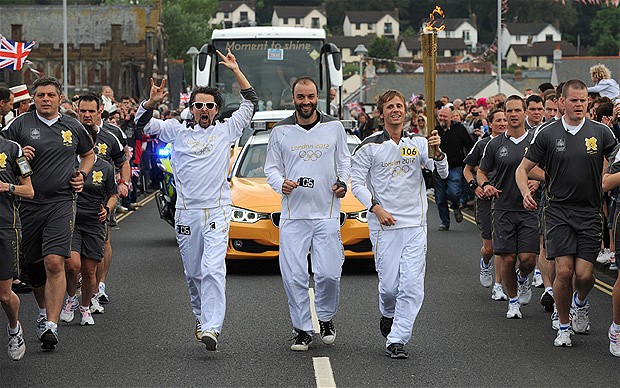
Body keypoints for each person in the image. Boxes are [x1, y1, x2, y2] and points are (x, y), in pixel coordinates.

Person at [135, 49, 256, 352]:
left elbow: (250, 102)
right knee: (194, 273)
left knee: (214, 268)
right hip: (186, 214)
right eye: (199, 105)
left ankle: (213, 327)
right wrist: (150, 103)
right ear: (191, 108)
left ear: (217, 110)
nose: (205, 109)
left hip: (216, 210)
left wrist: (235, 70)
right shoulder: (175, 131)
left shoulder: (227, 130)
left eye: (210, 106)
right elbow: (142, 124)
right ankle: (202, 319)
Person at [516, 79, 617, 347]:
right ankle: (563, 326)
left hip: (590, 212)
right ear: (562, 102)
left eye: (583, 100)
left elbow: (615, 160)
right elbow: (523, 168)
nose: (579, 105)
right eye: (574, 100)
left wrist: (608, 178)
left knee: (584, 275)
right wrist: (526, 190)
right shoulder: (547, 133)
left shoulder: (602, 132)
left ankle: (580, 303)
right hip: (559, 210)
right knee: (563, 271)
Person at [350, 89, 448, 358]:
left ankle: (397, 339)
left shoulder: (419, 142)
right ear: (381, 113)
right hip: (384, 225)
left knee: (412, 285)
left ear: (406, 111)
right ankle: (388, 312)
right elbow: (355, 182)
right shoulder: (369, 146)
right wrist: (375, 207)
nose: (396, 110)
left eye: (400, 106)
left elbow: (441, 172)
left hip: (415, 224)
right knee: (390, 286)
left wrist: (438, 152)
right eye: (390, 106)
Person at [4, 76, 95, 350]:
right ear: (33, 98)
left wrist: (82, 175)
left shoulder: (72, 126)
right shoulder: (19, 126)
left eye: (51, 95)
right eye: (41, 95)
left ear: (60, 98)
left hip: (61, 202)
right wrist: (21, 157)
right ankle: (43, 312)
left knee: (55, 261)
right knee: (33, 266)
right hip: (28, 205)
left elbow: (88, 155)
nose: (46, 99)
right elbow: (4, 156)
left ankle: (52, 325)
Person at [264, 76, 350, 352]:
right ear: (293, 99)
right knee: (294, 276)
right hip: (293, 216)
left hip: (326, 213)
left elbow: (344, 161)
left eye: (310, 96)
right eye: (301, 97)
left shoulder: (334, 128)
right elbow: (271, 169)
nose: (306, 102)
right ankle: (301, 329)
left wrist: (343, 183)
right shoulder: (280, 131)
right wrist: (281, 184)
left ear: (317, 97)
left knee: (328, 274)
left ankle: (325, 318)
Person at [478, 96, 539, 319]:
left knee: (528, 259)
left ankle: (523, 279)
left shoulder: (536, 141)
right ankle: (513, 301)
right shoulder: (495, 144)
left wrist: (539, 181)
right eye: (509, 111)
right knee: (508, 258)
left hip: (529, 208)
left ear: (524, 114)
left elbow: (549, 169)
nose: (513, 115)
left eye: (517, 111)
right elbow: (481, 171)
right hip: (503, 208)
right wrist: (485, 185)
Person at [74, 93, 129, 312]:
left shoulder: (111, 134)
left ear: (100, 111)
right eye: (82, 111)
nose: (87, 115)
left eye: (91, 111)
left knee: (102, 243)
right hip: (71, 199)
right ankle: (80, 287)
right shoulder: (68, 133)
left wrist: (123, 183)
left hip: (102, 196)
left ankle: (99, 285)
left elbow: (122, 162)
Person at [60, 124, 117, 326]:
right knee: (72, 265)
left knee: (90, 271)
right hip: (71, 220)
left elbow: (112, 195)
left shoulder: (105, 167)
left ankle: (85, 308)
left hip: (94, 222)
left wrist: (107, 210)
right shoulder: (66, 163)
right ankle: (70, 299)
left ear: (93, 142)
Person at [463, 109, 508, 301]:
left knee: (501, 247)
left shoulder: (512, 143)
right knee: (489, 248)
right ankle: (485, 261)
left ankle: (498, 285)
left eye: (505, 120)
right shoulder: (482, 145)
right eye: (498, 120)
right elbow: (467, 170)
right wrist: (476, 187)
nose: (502, 123)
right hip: (485, 200)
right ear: (490, 123)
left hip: (505, 199)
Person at [0, 133, 34, 360]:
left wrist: (7, 187)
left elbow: (29, 190)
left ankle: (14, 329)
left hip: (5, 227)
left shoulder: (13, 149)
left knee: (3, 295)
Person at [434, 106, 474, 231]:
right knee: (440, 198)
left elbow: (470, 145)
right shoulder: (435, 129)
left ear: (451, 117)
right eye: (440, 116)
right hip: (438, 166)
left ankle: (456, 206)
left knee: (453, 192)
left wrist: (471, 162)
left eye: (445, 116)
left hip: (455, 166)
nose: (442, 118)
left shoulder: (459, 128)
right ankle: (445, 222)